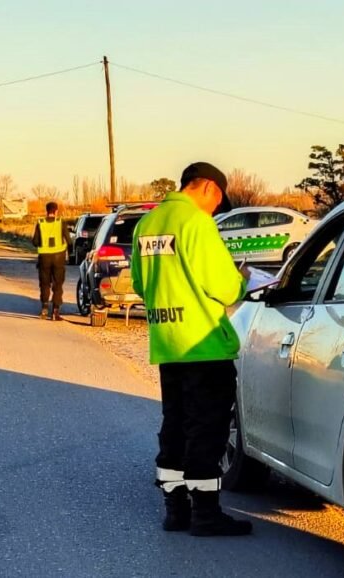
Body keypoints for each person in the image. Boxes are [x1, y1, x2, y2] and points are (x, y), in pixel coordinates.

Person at [130, 161, 252, 537]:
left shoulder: (146, 225)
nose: (216, 209)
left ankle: (175, 509)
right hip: (204, 345)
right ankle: (205, 514)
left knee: (175, 427)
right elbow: (226, 288)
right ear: (208, 190)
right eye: (218, 202)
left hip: (168, 345)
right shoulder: (196, 224)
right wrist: (242, 280)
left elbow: (138, 281)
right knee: (207, 430)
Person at [32, 201, 69, 321]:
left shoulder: (41, 223)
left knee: (44, 283)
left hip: (44, 258)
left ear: (46, 211)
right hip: (59, 257)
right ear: (56, 211)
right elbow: (69, 239)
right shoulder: (60, 222)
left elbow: (35, 242)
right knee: (58, 284)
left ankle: (44, 308)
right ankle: (56, 311)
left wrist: (43, 242)